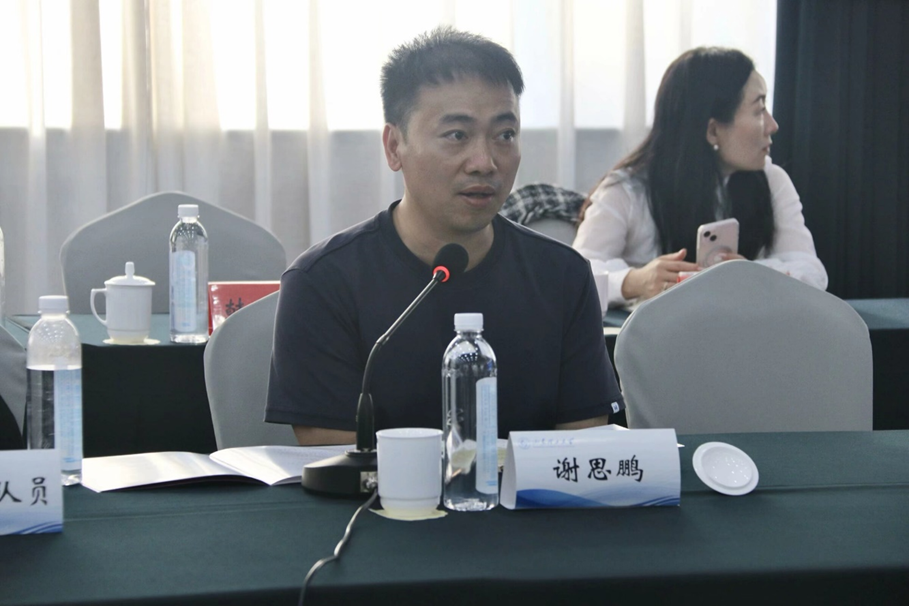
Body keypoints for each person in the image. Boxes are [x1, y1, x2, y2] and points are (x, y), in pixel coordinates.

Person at [266, 27, 624, 446]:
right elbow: (334, 462)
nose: (484, 162)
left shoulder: (563, 276)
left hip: (534, 493)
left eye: (505, 135)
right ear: (394, 146)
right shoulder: (323, 282)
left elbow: (582, 456)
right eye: (457, 135)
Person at [573, 47, 828, 308]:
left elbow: (812, 272)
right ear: (713, 131)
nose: (773, 125)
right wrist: (634, 281)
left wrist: (754, 274)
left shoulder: (772, 180)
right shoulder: (627, 190)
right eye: (759, 109)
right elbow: (576, 273)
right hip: (652, 332)